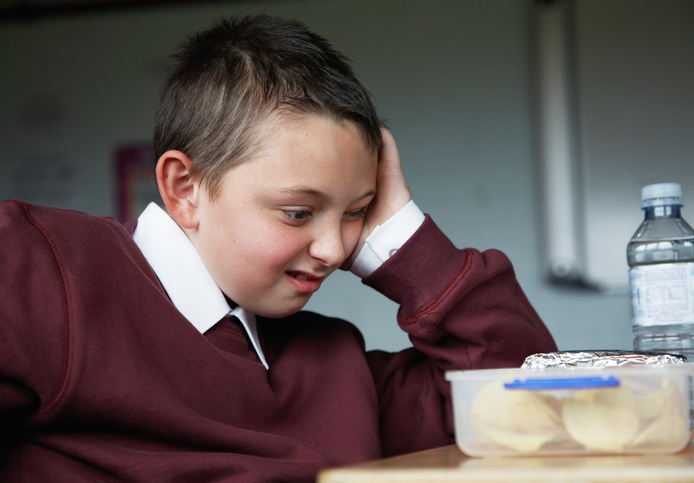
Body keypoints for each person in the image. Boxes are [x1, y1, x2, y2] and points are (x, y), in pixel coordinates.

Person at [0, 14, 557, 482]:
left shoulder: (336, 364)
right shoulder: (48, 267)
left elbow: (528, 398)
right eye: (298, 212)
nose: (335, 250)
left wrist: (400, 235)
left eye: (358, 212)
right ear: (185, 190)